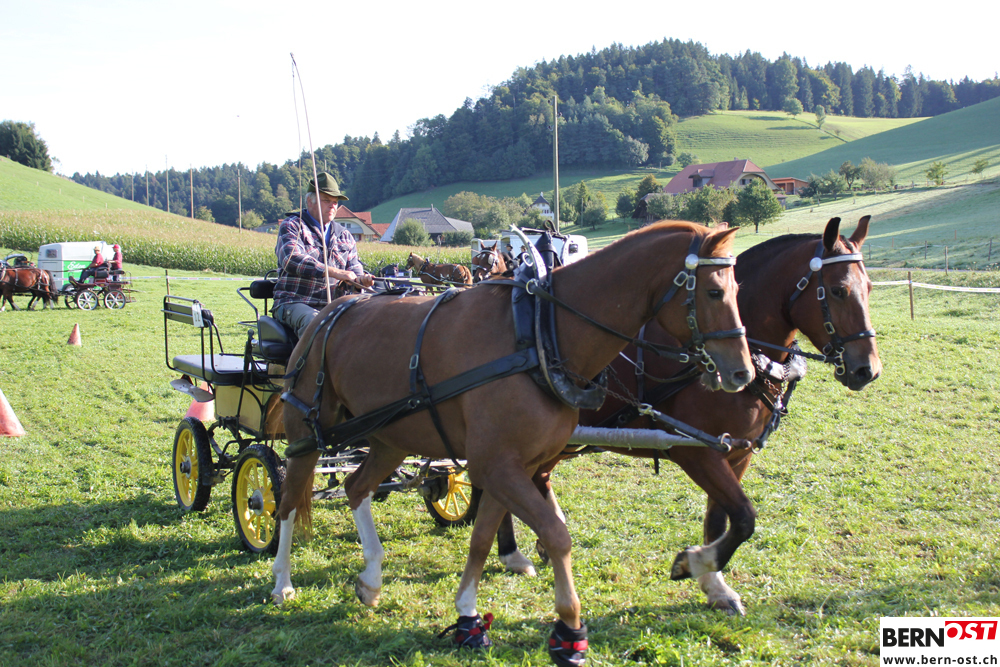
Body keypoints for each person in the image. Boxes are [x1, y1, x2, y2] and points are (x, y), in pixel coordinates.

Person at [272, 172, 374, 338]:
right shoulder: (293, 226)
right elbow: (291, 259)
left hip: (335, 304)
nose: (332, 206)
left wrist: (361, 280)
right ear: (309, 201)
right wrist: (335, 272)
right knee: (316, 324)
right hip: (296, 301)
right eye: (326, 200)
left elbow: (355, 271)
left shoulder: (345, 236)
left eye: (335, 202)